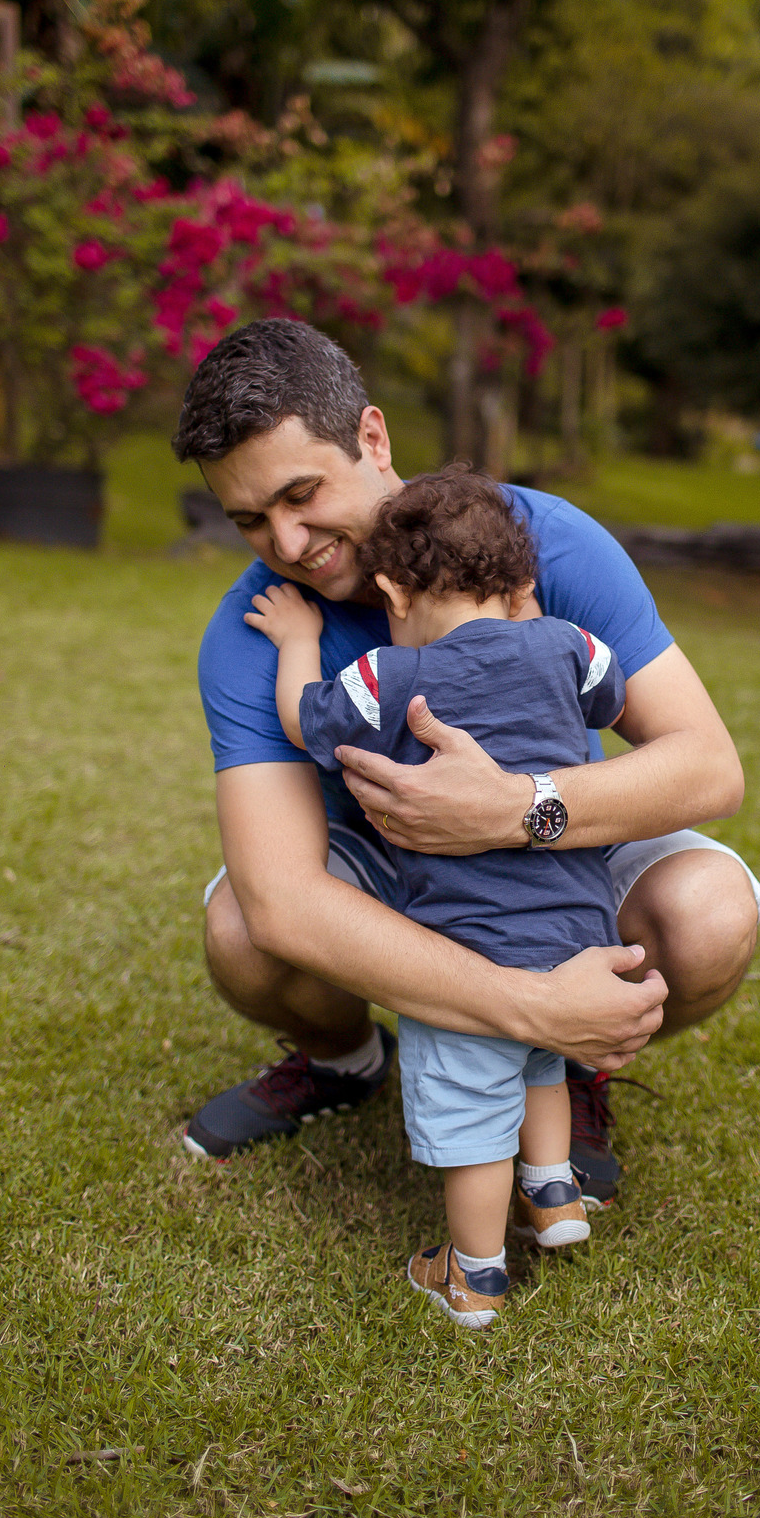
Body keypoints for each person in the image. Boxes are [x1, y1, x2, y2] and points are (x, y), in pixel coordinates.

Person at [174, 317, 760, 1208]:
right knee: (241, 934)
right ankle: (347, 1061)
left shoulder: (538, 542)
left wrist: (515, 809)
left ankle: (567, 1067)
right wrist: (525, 1003)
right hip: (386, 873)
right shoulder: (256, 629)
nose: (288, 545)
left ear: (372, 437)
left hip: (550, 867)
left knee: (709, 916)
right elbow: (281, 900)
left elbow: (709, 768)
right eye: (251, 520)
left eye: (302, 495)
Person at [246, 466, 629, 1328]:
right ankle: (556, 1194)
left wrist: (300, 640)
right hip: (578, 921)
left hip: (469, 937)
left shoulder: (391, 672)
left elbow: (309, 721)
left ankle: (474, 1273)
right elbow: (610, 696)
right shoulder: (572, 645)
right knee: (541, 1058)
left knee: (473, 1100)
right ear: (517, 581)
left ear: (392, 588)